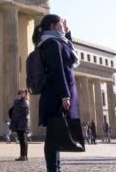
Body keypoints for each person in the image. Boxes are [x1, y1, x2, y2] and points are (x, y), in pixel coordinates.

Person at [35, 14, 84, 172]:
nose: (63, 25)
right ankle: (53, 169)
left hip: (59, 93)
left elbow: (68, 52)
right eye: (61, 24)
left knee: (56, 134)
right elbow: (58, 70)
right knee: (53, 135)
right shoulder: (51, 43)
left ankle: (56, 168)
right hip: (55, 94)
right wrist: (65, 95)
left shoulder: (58, 41)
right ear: (53, 26)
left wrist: (68, 32)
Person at [10, 89, 30, 161]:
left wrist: (16, 100)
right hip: (21, 123)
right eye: (18, 93)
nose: (18, 95)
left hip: (22, 123)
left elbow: (18, 109)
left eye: (20, 93)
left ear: (24, 94)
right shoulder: (22, 101)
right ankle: (24, 156)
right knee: (23, 140)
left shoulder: (24, 102)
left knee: (23, 141)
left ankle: (23, 156)